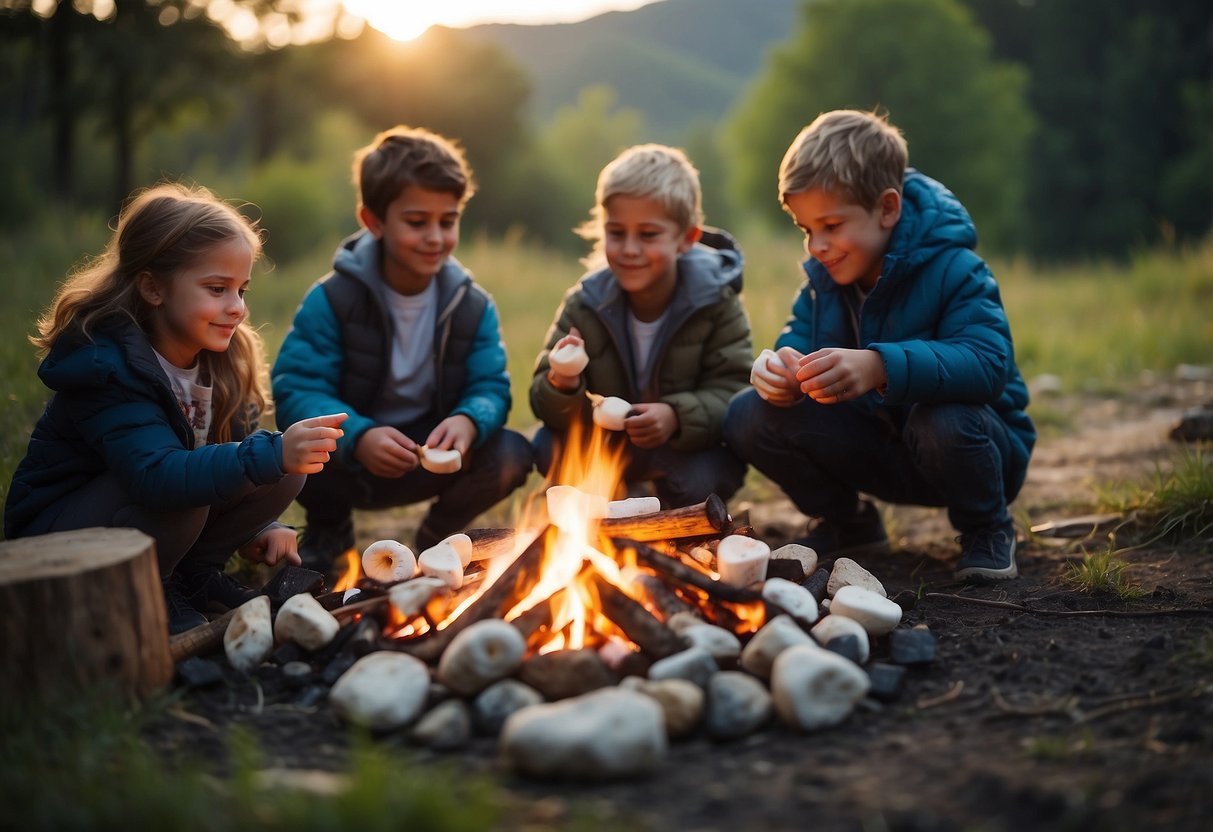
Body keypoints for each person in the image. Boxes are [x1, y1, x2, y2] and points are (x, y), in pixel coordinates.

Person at [3, 183, 347, 634]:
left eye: (241, 290)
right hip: (55, 539)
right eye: (217, 289)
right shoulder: (107, 368)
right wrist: (272, 453)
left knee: (285, 468)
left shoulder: (221, 361)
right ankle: (154, 587)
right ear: (153, 288)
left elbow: (229, 457)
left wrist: (260, 524)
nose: (237, 308)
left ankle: (194, 575)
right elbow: (158, 478)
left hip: (148, 507)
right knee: (205, 478)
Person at [723, 110, 1035, 581]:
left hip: (972, 451)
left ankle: (987, 527)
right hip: (880, 449)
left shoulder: (956, 269)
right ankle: (849, 523)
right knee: (748, 414)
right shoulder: (822, 285)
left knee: (943, 417)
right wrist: (782, 371)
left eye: (830, 225)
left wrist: (880, 365)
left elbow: (989, 363)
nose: (816, 246)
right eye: (807, 230)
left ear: (887, 208)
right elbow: (797, 341)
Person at [272, 125, 532, 573]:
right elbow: (297, 388)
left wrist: (470, 422)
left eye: (447, 221)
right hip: (350, 460)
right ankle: (330, 532)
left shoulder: (471, 305)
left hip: (430, 454)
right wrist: (359, 434)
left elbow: (490, 385)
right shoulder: (332, 299)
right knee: (294, 441)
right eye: (417, 222)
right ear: (373, 221)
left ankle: (439, 538)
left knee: (511, 453)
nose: (435, 236)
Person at [530, 144, 751, 506]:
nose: (630, 249)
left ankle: (667, 512)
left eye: (648, 235)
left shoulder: (716, 302)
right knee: (546, 446)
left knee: (706, 478)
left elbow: (733, 389)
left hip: (680, 449)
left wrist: (676, 415)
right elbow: (544, 402)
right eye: (617, 233)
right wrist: (562, 381)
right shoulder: (586, 303)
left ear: (686, 239)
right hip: (609, 448)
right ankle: (614, 501)